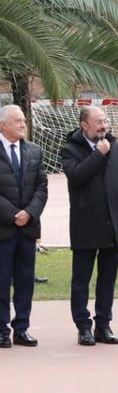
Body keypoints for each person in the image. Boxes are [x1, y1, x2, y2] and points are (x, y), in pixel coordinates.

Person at [60, 106, 118, 346]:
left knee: (108, 278)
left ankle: (103, 325)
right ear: (84, 125)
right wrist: (98, 154)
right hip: (85, 225)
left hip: (114, 225)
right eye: (98, 122)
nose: (104, 126)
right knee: (81, 279)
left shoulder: (116, 147)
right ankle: (84, 327)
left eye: (105, 121)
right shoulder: (70, 149)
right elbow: (77, 176)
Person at [0, 105, 47, 348]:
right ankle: (1, 330)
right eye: (17, 120)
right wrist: (12, 214)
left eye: (23, 121)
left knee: (25, 281)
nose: (22, 124)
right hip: (3, 229)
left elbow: (42, 187)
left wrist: (29, 213)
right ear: (2, 125)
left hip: (27, 229)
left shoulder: (34, 151)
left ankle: (22, 329)